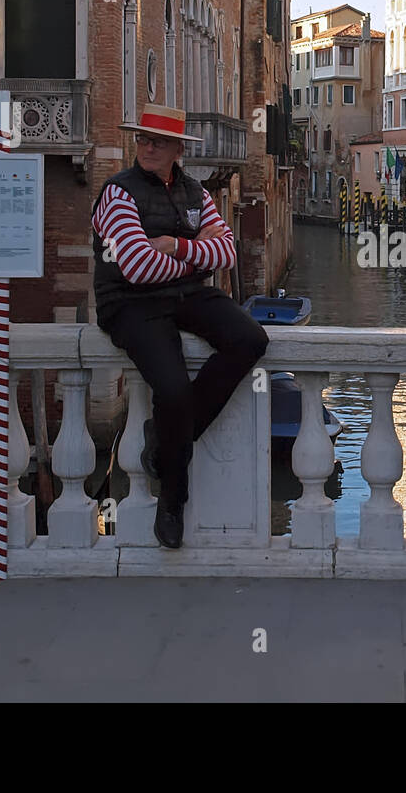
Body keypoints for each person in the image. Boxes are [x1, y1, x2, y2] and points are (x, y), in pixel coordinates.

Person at [91, 104, 269, 548]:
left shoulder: (195, 192)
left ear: (176, 149)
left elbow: (227, 251)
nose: (148, 147)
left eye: (159, 142)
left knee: (250, 338)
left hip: (185, 294)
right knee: (170, 389)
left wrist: (173, 245)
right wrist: (195, 256)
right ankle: (173, 498)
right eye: (144, 139)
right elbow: (135, 267)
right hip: (131, 304)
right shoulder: (118, 194)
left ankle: (166, 439)